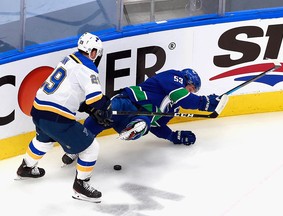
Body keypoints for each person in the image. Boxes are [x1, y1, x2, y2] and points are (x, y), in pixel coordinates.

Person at [16, 32, 110, 203]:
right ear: (94, 52)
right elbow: (96, 99)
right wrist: (106, 107)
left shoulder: (69, 59)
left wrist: (86, 107)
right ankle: (81, 186)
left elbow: (68, 91)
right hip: (57, 118)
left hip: (38, 110)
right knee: (91, 148)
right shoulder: (88, 68)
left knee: (43, 140)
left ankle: (26, 167)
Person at [62, 68, 221, 165]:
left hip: (138, 116)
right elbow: (182, 95)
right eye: (191, 88)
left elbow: (157, 127)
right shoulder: (175, 77)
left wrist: (172, 136)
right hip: (128, 101)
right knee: (101, 118)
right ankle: (75, 147)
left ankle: (134, 128)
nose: (191, 92)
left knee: (146, 123)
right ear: (187, 79)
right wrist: (204, 102)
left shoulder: (172, 107)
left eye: (193, 91)